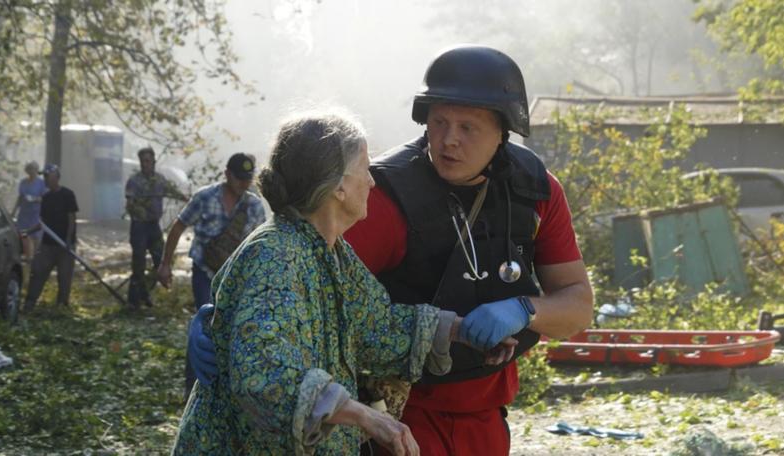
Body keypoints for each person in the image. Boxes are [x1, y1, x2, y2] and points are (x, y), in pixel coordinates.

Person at [189, 45, 594, 455]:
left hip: (484, 415)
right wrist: (220, 319)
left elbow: (374, 322)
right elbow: (269, 339)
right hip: (400, 416)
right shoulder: (371, 205)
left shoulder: (535, 190)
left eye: (467, 128)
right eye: (439, 122)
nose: (449, 140)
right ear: (338, 186)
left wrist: (482, 322)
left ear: (503, 132)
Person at [172, 111, 512, 455]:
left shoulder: (331, 252)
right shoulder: (277, 255)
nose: (373, 182)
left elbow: (377, 326)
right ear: (338, 186)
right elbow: (265, 377)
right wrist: (365, 416)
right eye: (365, 168)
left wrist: (461, 330)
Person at [158, 152, 266, 397]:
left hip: (235, 277)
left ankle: (227, 387)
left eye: (248, 179)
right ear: (227, 174)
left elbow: (260, 245)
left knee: (236, 327)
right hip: (204, 273)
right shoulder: (205, 197)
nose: (244, 183)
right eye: (239, 178)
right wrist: (165, 264)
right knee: (204, 324)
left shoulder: (254, 206)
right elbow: (177, 228)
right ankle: (193, 387)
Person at [124, 146, 187, 309]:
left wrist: (187, 199)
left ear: (153, 162)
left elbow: (172, 191)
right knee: (138, 264)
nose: (146, 164)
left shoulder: (159, 180)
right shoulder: (134, 181)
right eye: (143, 161)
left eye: (148, 161)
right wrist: (141, 209)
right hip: (139, 226)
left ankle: (145, 292)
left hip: (153, 226)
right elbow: (129, 205)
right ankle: (133, 300)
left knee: (161, 260)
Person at [23, 164, 80, 310]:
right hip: (48, 244)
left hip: (65, 245)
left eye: (48, 176)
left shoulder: (68, 194)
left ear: (56, 177)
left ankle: (61, 306)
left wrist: (68, 239)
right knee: (38, 272)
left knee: (64, 277)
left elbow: (71, 218)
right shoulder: (46, 198)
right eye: (45, 177)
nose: (45, 179)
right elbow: (42, 223)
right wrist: (27, 231)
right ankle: (29, 303)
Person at [11, 160, 47, 261]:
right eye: (29, 169)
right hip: (24, 213)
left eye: (33, 169)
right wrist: (14, 211)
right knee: (24, 235)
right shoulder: (23, 182)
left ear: (36, 170)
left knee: (35, 237)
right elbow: (20, 197)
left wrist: (36, 199)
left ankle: (35, 258)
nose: (31, 171)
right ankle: (28, 257)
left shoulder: (41, 183)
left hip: (36, 213)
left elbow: (46, 198)